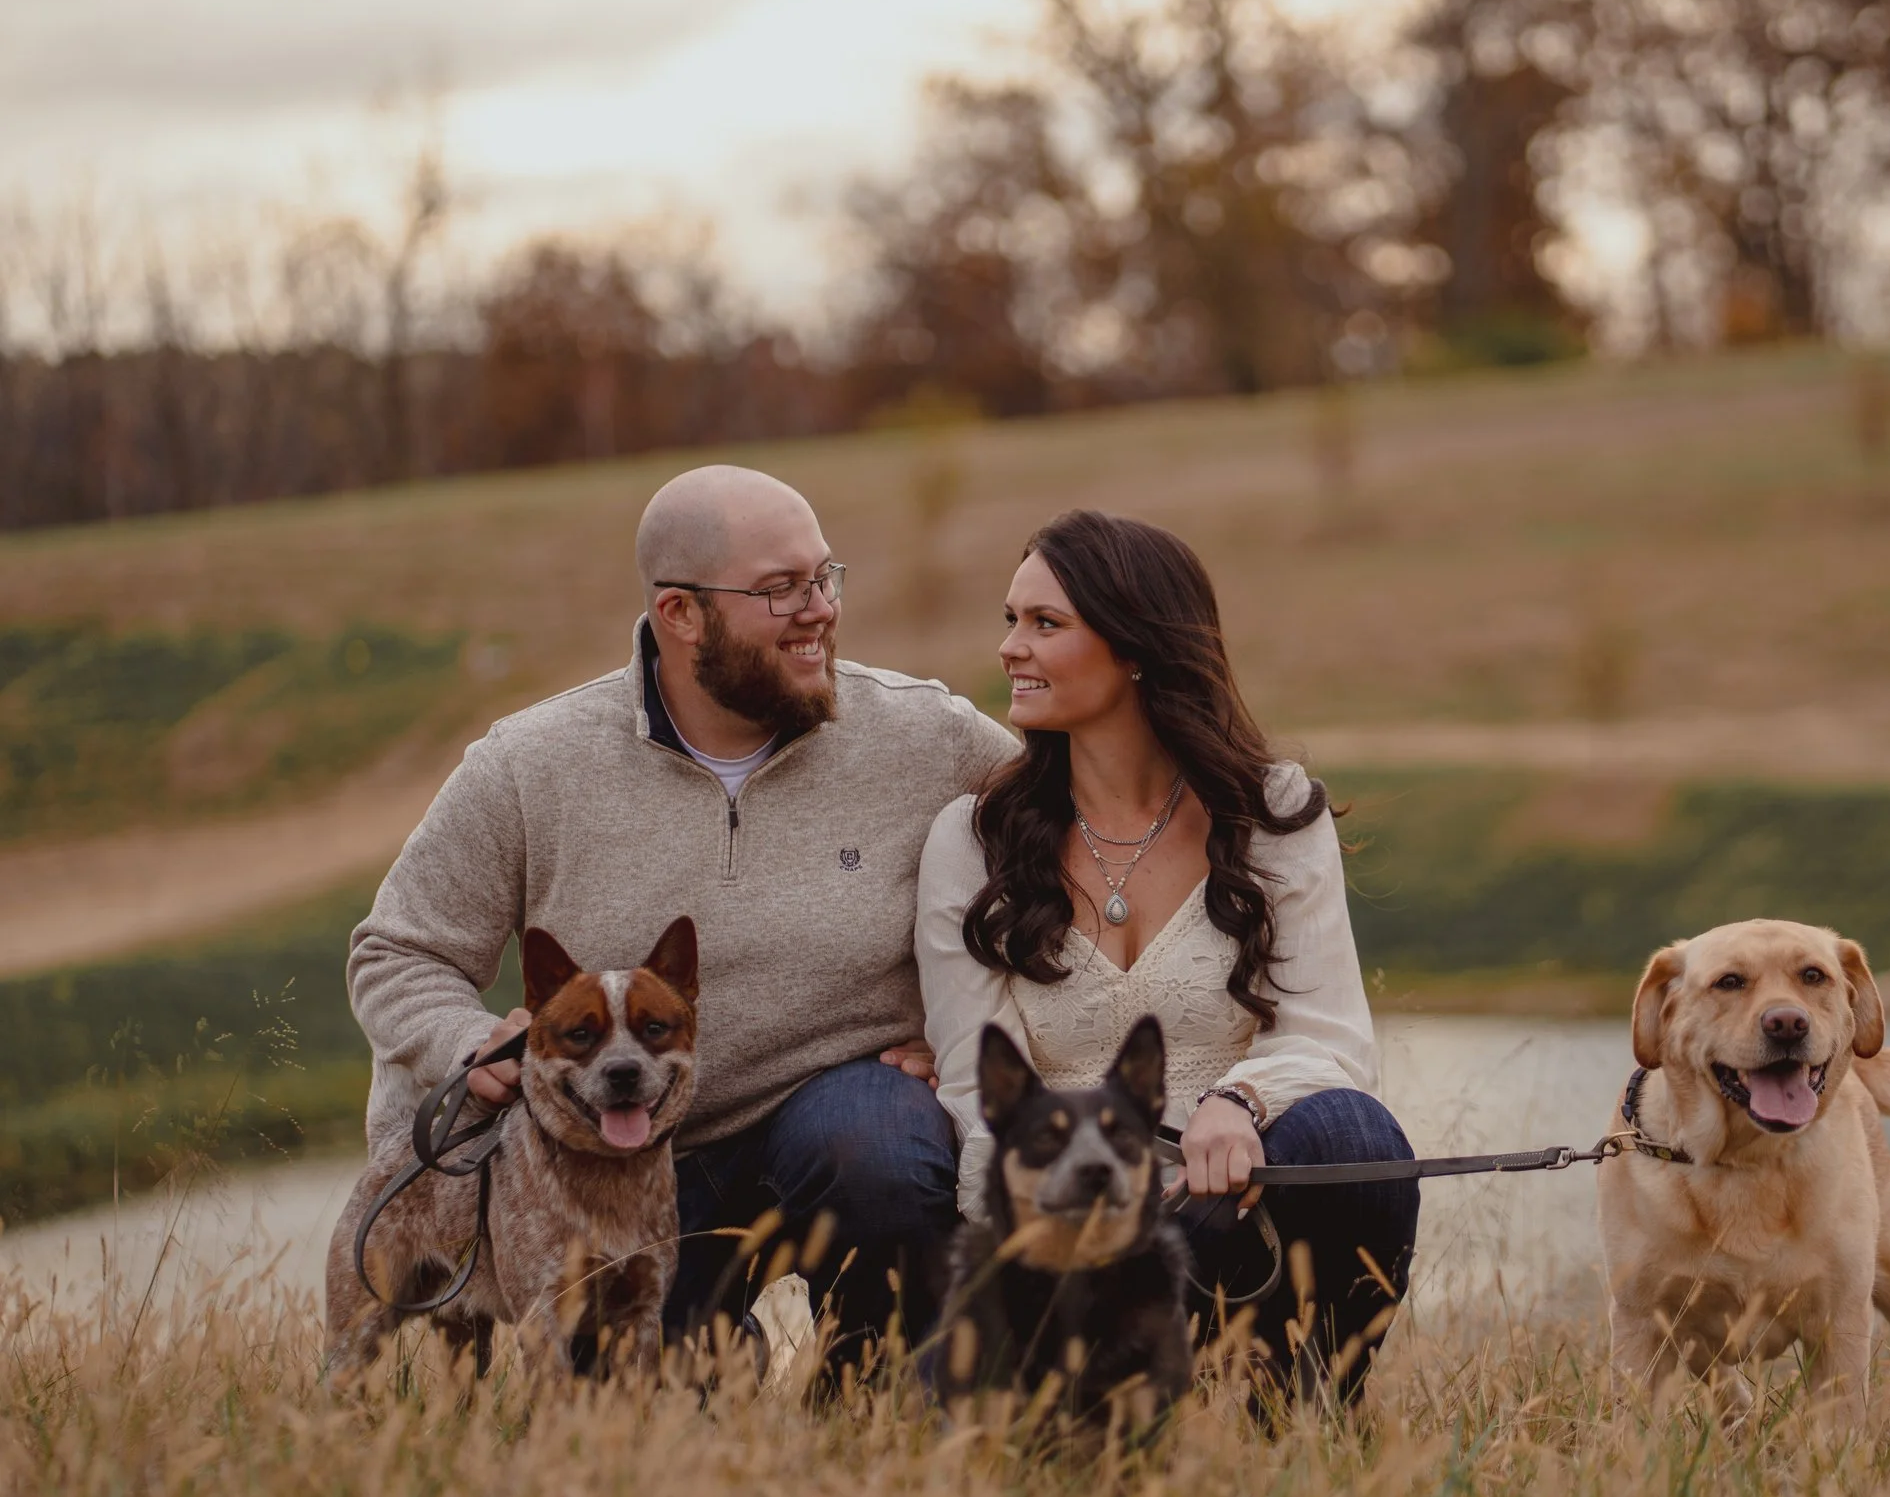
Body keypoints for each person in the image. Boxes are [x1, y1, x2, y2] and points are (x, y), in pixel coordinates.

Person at [348, 464, 1019, 1366]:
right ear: (680, 614)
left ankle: (871, 1383)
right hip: (622, 1162)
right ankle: (711, 1364)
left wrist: (982, 1031)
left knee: (881, 1156)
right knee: (639, 1404)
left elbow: (1077, 844)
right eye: (780, 589)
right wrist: (466, 1041)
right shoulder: (527, 767)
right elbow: (397, 953)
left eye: (825, 577)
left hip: (841, 1117)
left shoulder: (925, 735)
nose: (819, 608)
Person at [915, 509, 1418, 1405]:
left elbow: (1336, 1043)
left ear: (1136, 645)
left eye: (1044, 623)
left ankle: (1301, 1410)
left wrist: (1239, 1099)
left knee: (1357, 1136)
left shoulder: (1271, 813)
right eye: (1009, 619)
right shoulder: (975, 840)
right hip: (1059, 1224)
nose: (1009, 649)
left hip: (1229, 1205)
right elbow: (972, 1081)